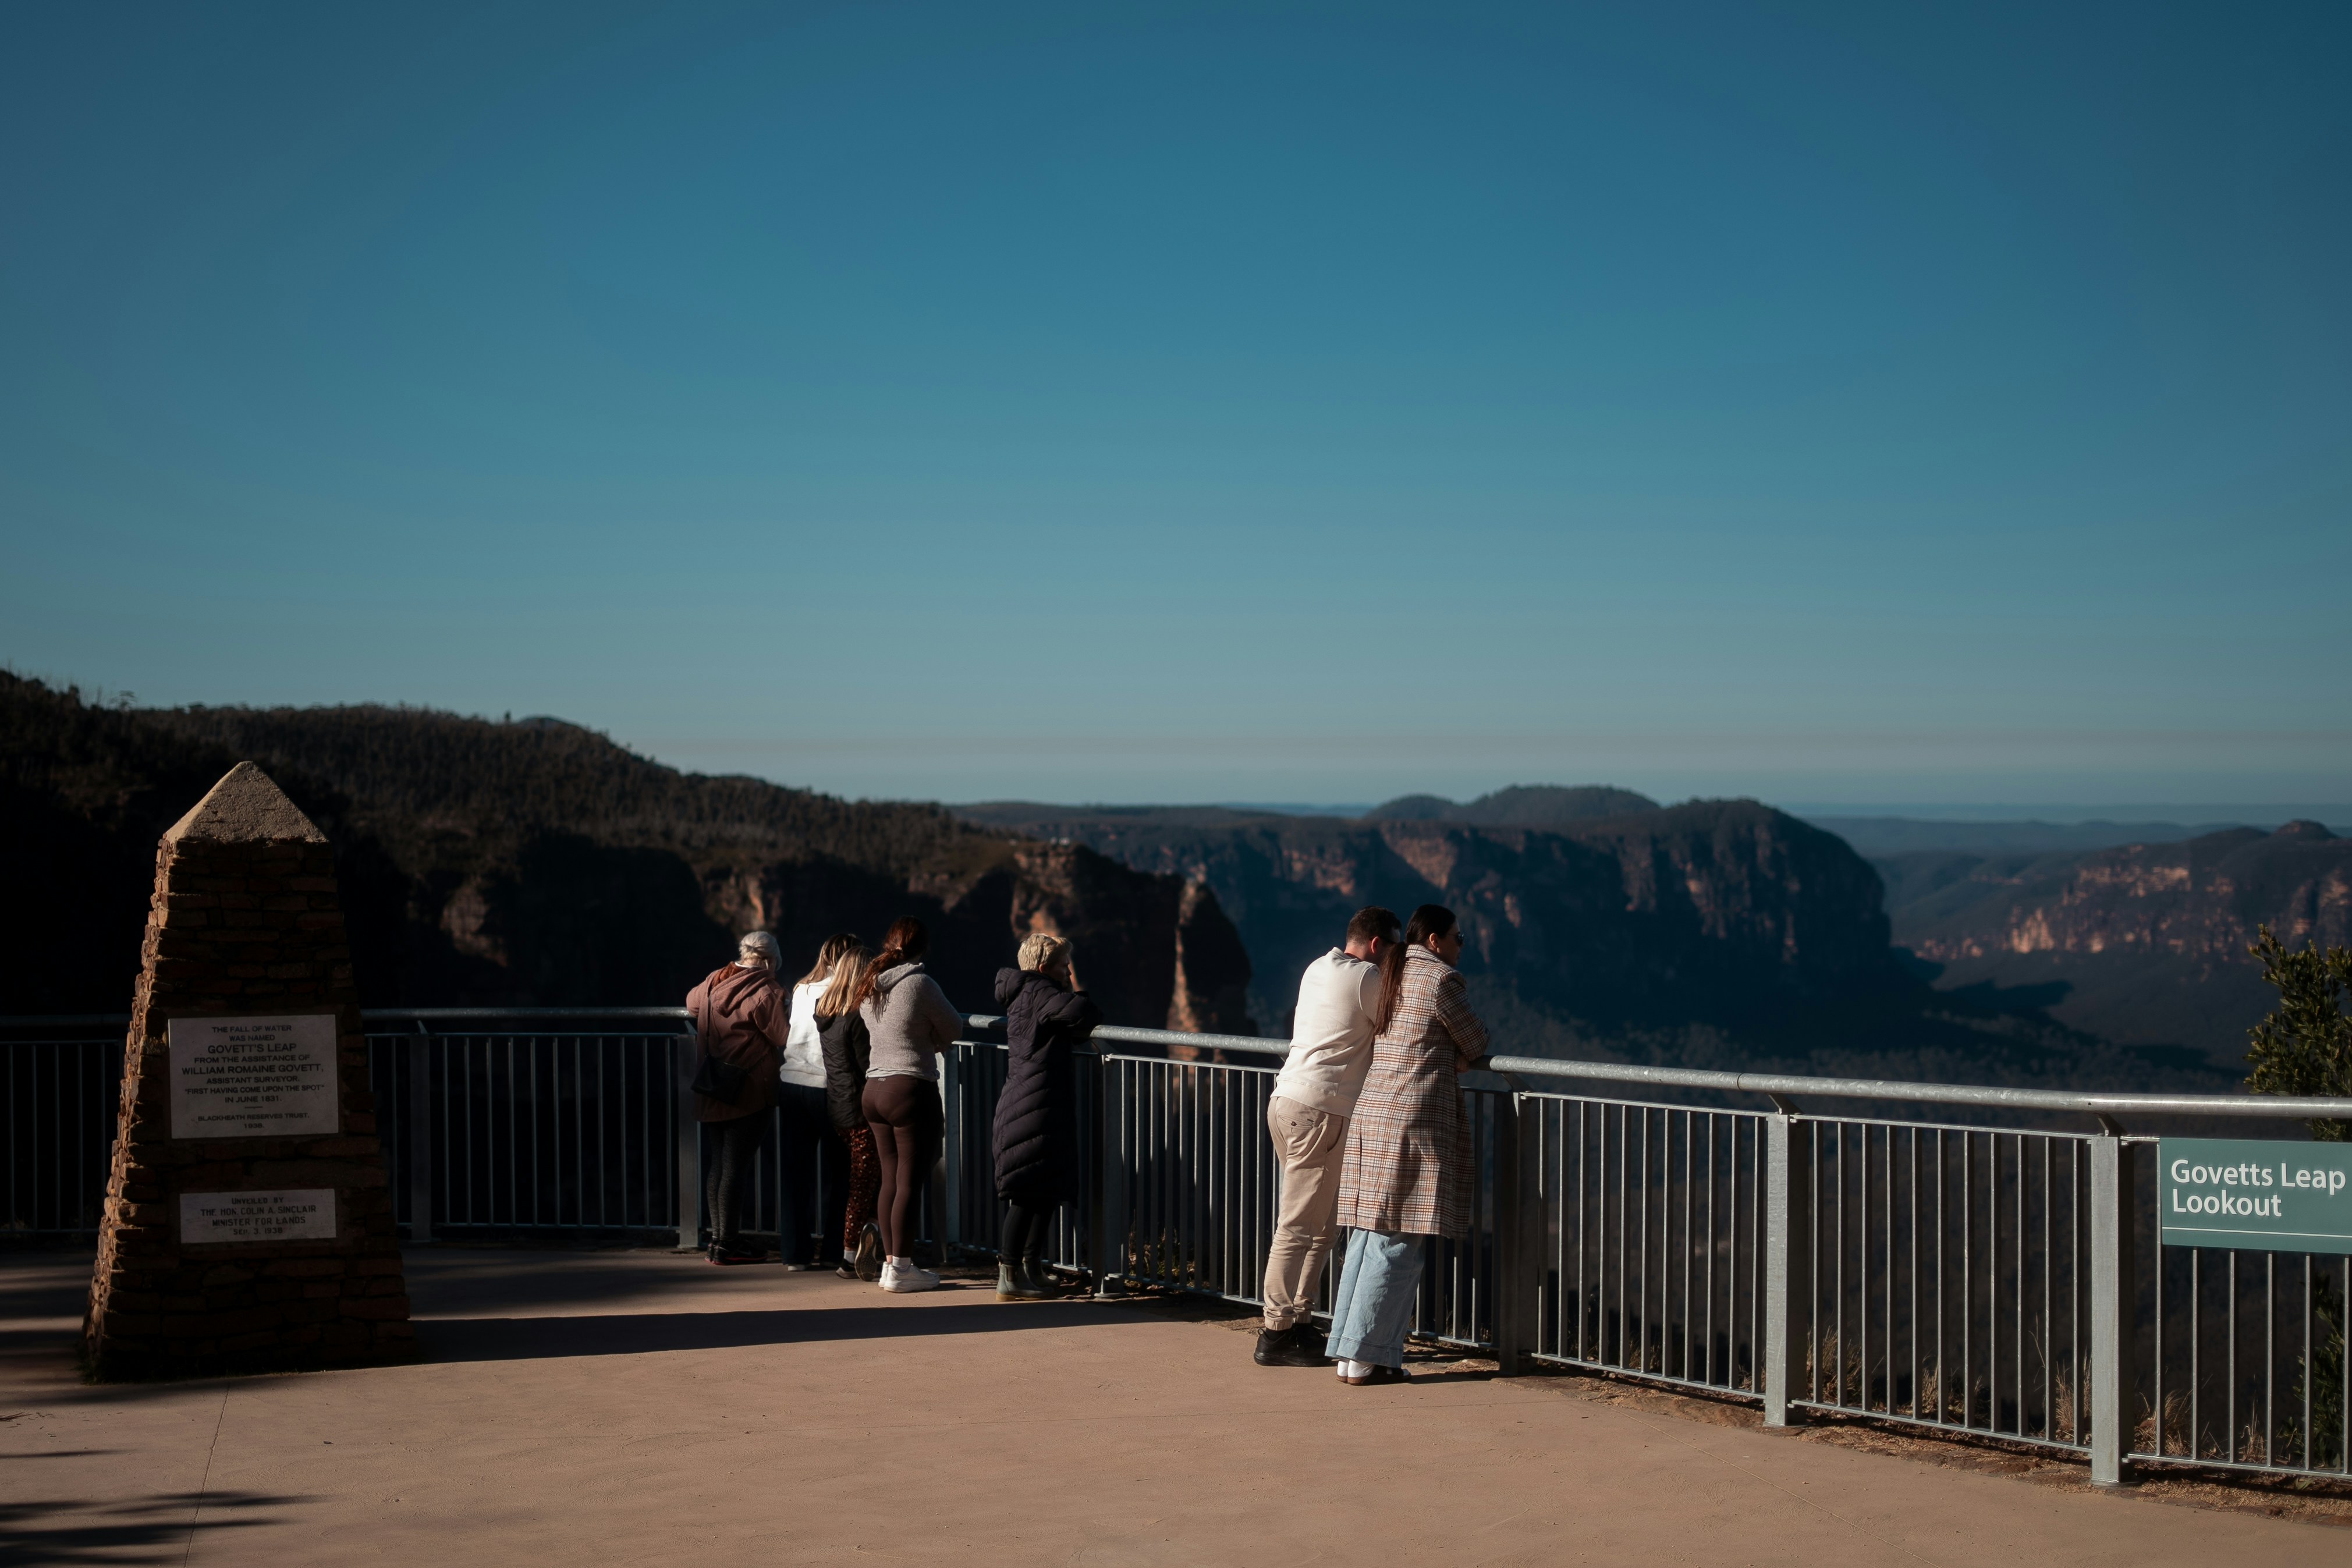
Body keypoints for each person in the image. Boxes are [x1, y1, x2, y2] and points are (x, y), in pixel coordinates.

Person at [1325, 903, 1488, 1384]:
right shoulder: (1440, 980)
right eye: (1459, 938)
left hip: (1373, 1114)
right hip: (1411, 1122)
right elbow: (1475, 1040)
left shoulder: (1390, 973)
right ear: (1434, 941)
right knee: (1399, 1241)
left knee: (1367, 1235)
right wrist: (1458, 1056)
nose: (1462, 947)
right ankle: (1367, 1359)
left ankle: (1347, 1353)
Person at [1254, 905, 1400, 1367]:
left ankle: (1299, 1321)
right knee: (1298, 1226)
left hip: (1288, 1102)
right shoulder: (1365, 979)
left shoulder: (1320, 966)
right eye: (1393, 951)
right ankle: (1274, 1333)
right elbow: (1404, 1023)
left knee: (1323, 1224)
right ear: (1377, 945)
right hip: (1321, 1111)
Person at [853, 916, 963, 1293]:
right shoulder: (920, 983)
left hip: (874, 1088)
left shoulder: (868, 985)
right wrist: (928, 1039)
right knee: (909, 1182)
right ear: (922, 947)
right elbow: (953, 1028)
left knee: (889, 1179)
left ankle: (888, 1265)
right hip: (909, 1088)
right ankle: (901, 1269)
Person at [990, 932, 1102, 1301]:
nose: (1069, 970)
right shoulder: (1041, 993)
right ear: (1043, 969)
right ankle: (1009, 1276)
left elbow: (1058, 1028)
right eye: (1063, 965)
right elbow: (1080, 1014)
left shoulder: (1029, 994)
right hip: (1033, 1103)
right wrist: (1079, 995)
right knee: (1026, 1192)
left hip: (1035, 1100)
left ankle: (1030, 1268)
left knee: (1044, 1189)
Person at [685, 930, 789, 1265]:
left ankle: (719, 1240)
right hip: (749, 1089)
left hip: (715, 1082)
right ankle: (728, 1243)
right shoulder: (768, 990)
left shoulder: (716, 980)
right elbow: (782, 1035)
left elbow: (691, 1004)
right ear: (771, 960)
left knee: (719, 1163)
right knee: (736, 1167)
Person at [779, 933, 859, 1269]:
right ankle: (833, 1252)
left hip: (792, 1082)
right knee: (841, 1172)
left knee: (796, 1174)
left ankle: (794, 1255)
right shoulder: (847, 993)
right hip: (830, 1087)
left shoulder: (800, 989)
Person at [816, 940, 884, 1280]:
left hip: (836, 1106)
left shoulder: (824, 1009)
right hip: (859, 1110)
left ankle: (873, 1237)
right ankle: (848, 1257)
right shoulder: (857, 1017)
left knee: (866, 1178)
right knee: (863, 1183)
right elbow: (866, 1065)